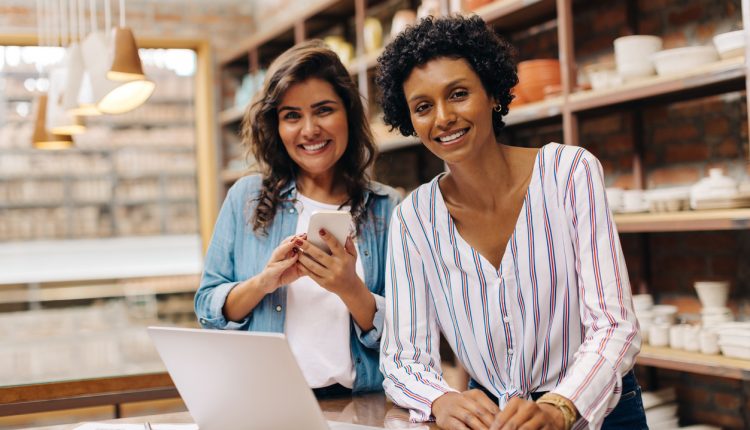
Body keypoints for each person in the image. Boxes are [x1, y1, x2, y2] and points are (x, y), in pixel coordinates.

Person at [376, 15, 645, 430]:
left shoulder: (569, 173)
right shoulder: (413, 219)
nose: (444, 117)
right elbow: (402, 356)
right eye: (423, 107)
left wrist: (561, 407)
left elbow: (615, 325)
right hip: (497, 420)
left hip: (597, 411)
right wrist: (439, 399)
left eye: (459, 94)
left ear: (493, 94)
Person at [195, 40, 401, 396]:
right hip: (265, 403)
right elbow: (208, 308)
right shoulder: (246, 199)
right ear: (276, 126)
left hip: (356, 405)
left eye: (323, 110)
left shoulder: (386, 207)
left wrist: (351, 289)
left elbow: (409, 335)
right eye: (292, 115)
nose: (309, 130)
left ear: (348, 115)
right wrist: (264, 283)